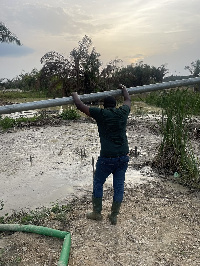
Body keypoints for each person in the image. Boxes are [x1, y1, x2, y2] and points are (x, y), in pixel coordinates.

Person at [72, 84, 131, 225]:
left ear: (104, 106)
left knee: (98, 182)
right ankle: (114, 216)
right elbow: (128, 101)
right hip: (123, 156)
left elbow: (80, 106)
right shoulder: (122, 112)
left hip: (107, 158)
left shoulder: (101, 114)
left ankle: (97, 213)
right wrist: (125, 90)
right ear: (115, 105)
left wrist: (74, 94)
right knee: (119, 186)